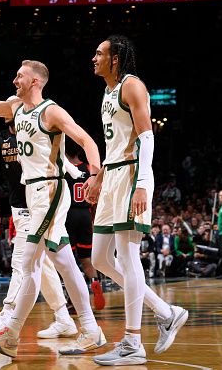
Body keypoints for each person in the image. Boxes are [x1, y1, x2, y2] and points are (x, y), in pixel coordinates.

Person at [0, 36, 106, 358]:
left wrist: (94, 175)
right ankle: (90, 330)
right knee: (63, 265)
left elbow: (86, 140)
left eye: (20, 76)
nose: (15, 80)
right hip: (34, 192)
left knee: (29, 263)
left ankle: (10, 334)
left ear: (35, 81)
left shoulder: (51, 111)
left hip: (51, 191)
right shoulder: (14, 107)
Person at [85, 35, 187, 365]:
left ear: (115, 58)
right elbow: (115, 142)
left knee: (128, 258)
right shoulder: (107, 91)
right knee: (100, 259)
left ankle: (132, 342)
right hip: (113, 175)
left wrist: (142, 184)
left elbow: (146, 136)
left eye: (99, 53)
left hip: (132, 175)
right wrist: (99, 176)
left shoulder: (133, 86)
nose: (94, 58)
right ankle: (165, 311)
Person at [0, 118, 78, 339]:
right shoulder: (0, 138)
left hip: (38, 204)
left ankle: (7, 315)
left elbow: (57, 155)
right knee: (44, 266)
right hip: (19, 208)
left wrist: (78, 173)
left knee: (22, 262)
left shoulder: (36, 128)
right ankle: (64, 319)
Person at [65, 143, 105, 310]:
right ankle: (95, 282)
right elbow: (97, 196)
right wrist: (94, 219)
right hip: (86, 215)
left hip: (69, 215)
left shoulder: (64, 169)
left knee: (69, 262)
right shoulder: (89, 168)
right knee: (86, 259)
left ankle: (73, 300)